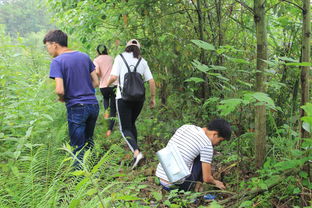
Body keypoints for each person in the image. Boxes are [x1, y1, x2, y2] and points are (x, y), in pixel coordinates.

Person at [43, 30, 99, 168]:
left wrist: (62, 97)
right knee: (88, 141)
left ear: (54, 44)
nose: (47, 50)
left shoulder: (57, 61)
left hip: (76, 107)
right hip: (93, 104)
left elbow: (59, 89)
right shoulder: (84, 56)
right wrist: (83, 89)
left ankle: (79, 181)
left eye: (47, 46)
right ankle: (91, 170)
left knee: (77, 146)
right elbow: (96, 82)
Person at [105, 39, 156, 169]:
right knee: (131, 124)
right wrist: (153, 98)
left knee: (125, 128)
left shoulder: (120, 58)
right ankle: (135, 154)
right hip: (139, 99)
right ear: (138, 49)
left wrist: (106, 83)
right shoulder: (142, 61)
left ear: (127, 47)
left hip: (123, 98)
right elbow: (151, 81)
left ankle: (137, 152)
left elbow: (114, 76)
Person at [156, 119, 232, 191]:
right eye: (220, 141)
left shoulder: (185, 127)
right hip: (175, 186)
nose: (218, 144)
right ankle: (194, 187)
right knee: (202, 158)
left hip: (160, 177)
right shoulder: (206, 145)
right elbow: (207, 178)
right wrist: (216, 182)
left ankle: (196, 185)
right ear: (214, 134)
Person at [93, 44, 117, 137]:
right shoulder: (111, 58)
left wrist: (98, 76)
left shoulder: (96, 60)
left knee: (106, 100)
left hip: (103, 86)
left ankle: (106, 113)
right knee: (113, 108)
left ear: (98, 51)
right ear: (106, 50)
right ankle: (109, 130)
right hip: (114, 84)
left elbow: (98, 72)